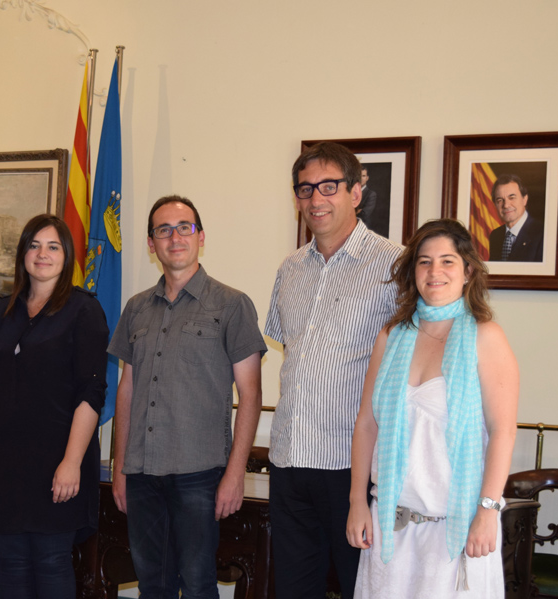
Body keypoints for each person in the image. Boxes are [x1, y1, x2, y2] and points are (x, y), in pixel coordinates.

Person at [346, 219, 518, 597]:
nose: (434, 272)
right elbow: (366, 425)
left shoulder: (486, 336)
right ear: (413, 271)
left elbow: (503, 431)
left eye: (447, 261)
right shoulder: (392, 336)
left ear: (468, 270)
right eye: (424, 262)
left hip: (457, 529)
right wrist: (357, 501)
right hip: (391, 529)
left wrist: (488, 510)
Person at [109, 195, 266, 599]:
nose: (174, 236)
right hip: (142, 473)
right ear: (151, 244)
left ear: (200, 238)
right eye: (163, 229)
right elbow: (127, 387)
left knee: (198, 585)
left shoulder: (232, 305)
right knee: (152, 586)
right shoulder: (136, 308)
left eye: (184, 227)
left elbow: (250, 395)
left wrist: (235, 474)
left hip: (200, 474)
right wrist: (119, 466)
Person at [265, 142, 402, 599]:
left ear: (357, 192)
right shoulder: (289, 269)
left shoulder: (394, 265)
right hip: (289, 460)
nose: (315, 199)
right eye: (305, 189)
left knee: (360, 589)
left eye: (329, 186)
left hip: (353, 467)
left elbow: (409, 365)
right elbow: (294, 353)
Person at [0, 214, 108, 598]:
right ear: (23, 254)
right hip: (3, 464)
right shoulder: (0, 312)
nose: (42, 254)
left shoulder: (84, 311)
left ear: (67, 255)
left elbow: (91, 393)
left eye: (53, 246)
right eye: (34, 245)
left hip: (57, 462)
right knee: (10, 565)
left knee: (51, 563)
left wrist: (72, 462)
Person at [488, 174, 544, 262]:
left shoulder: (542, 234)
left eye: (512, 198)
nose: (506, 205)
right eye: (499, 200)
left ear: (524, 199)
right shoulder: (495, 236)